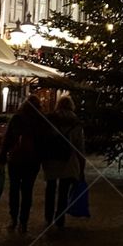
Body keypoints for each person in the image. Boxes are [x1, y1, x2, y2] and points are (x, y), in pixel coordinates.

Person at [0, 95, 44, 233]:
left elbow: (8, 138)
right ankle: (24, 220)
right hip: (32, 160)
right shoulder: (40, 120)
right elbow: (44, 142)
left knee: (14, 189)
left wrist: (2, 156)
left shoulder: (17, 118)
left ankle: (13, 218)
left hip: (16, 159)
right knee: (27, 190)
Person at [42, 95, 86, 229]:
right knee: (63, 191)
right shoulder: (76, 122)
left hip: (51, 159)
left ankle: (48, 217)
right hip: (69, 160)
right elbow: (80, 146)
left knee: (50, 188)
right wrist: (81, 165)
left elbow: (44, 139)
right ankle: (60, 218)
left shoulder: (50, 119)